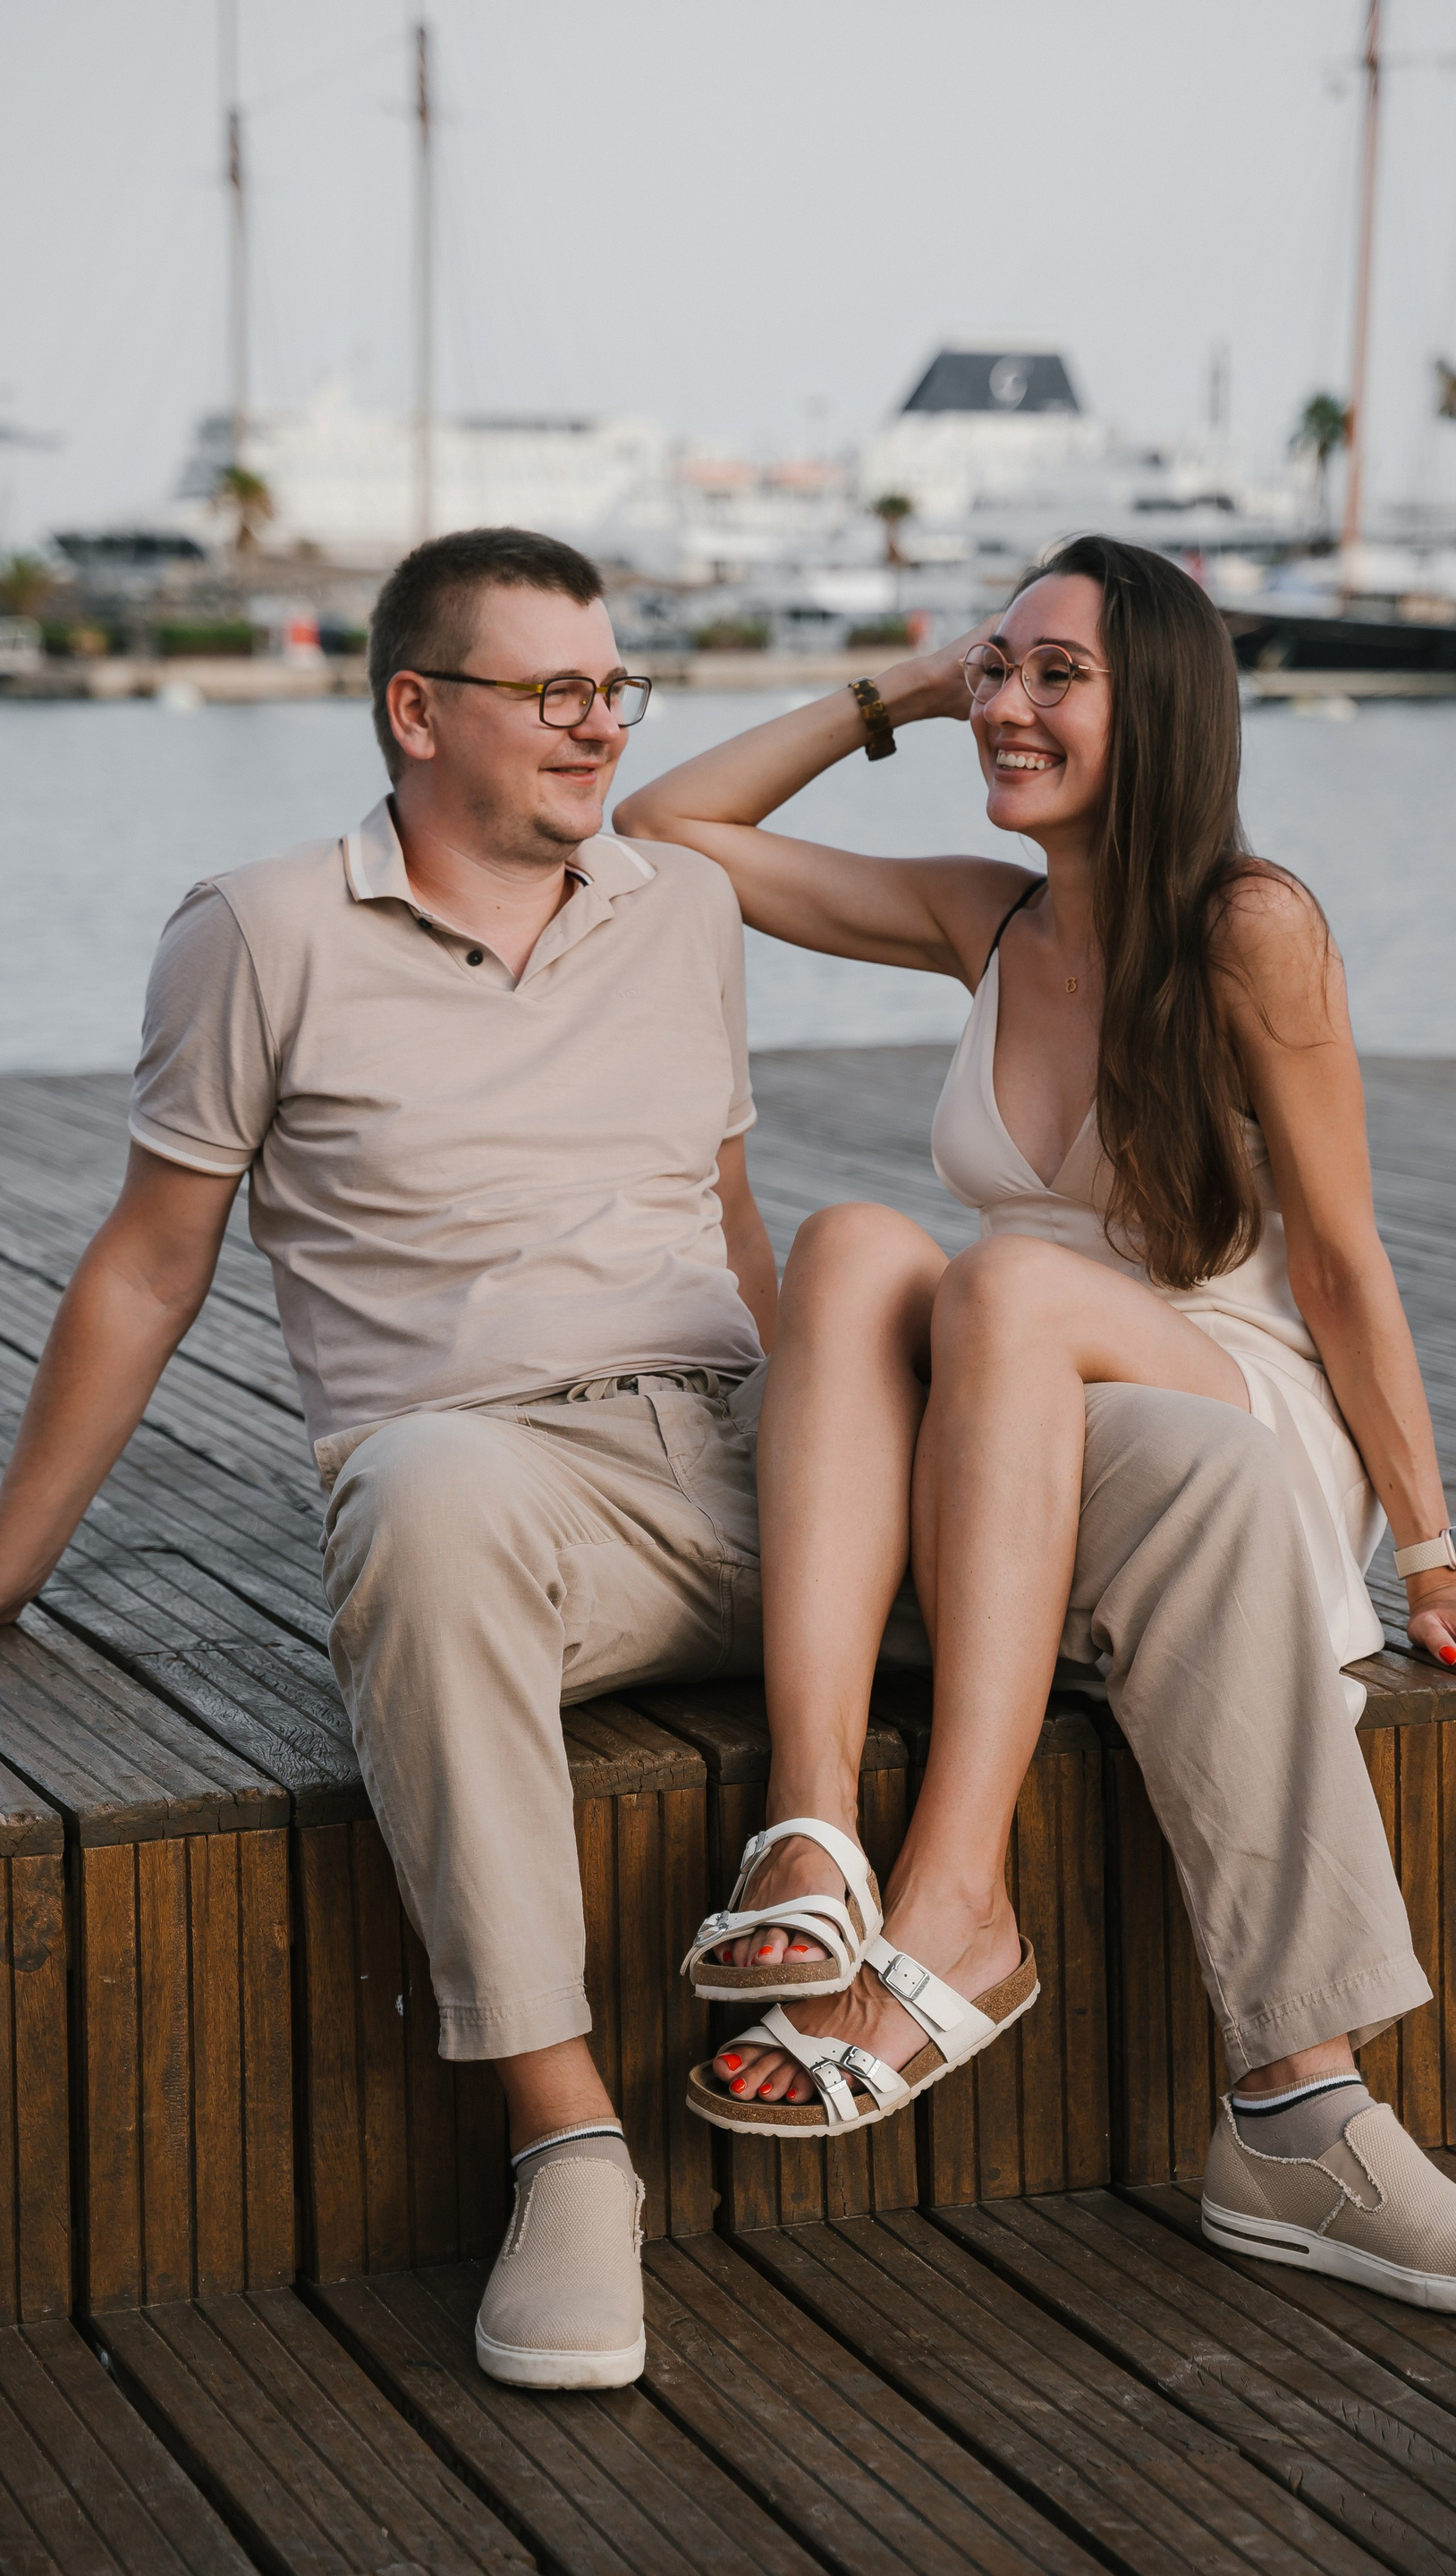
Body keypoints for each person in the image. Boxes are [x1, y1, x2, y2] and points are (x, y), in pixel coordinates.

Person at [614, 534, 1456, 2316]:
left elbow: (1344, 1261)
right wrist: (899, 694)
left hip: (1230, 1411)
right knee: (856, 1249)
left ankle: (963, 1902)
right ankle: (814, 1838)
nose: (1007, 704)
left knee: (1000, 1281)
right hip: (1025, 1441)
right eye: (996, 667)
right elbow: (665, 833)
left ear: (1166, 710)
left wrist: (1436, 1565)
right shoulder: (982, 915)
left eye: (1056, 675)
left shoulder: (1251, 926)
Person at [0, 526, 782, 2390]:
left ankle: (1306, 2101)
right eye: (555, 691)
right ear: (416, 712)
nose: (601, 727)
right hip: (508, 1489)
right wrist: (9, 1562)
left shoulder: (684, 906)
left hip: (765, 1459)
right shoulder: (260, 929)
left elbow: (732, 1220)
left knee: (1168, 1466)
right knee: (424, 1495)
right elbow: (151, 1260)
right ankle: (568, 2146)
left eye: (614, 687)